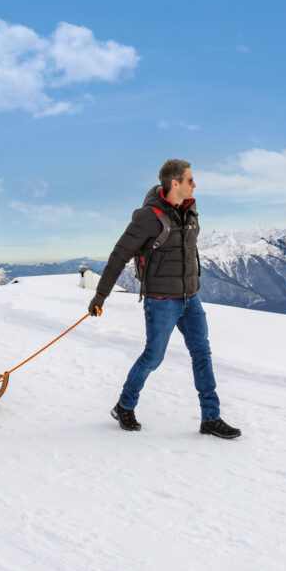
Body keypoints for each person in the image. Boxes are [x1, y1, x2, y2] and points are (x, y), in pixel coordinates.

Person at [89, 158, 241, 439]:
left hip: (190, 299)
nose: (195, 184)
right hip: (161, 301)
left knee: (202, 354)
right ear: (175, 183)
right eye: (190, 180)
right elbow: (119, 255)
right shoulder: (147, 217)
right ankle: (124, 405)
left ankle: (211, 418)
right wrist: (100, 296)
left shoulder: (190, 210)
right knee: (153, 357)